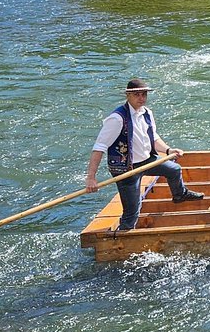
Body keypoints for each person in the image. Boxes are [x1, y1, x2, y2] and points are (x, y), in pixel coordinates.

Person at [86, 79, 204, 231]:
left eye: (144, 94)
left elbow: (153, 138)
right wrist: (91, 177)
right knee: (132, 212)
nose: (141, 98)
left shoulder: (147, 113)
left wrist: (168, 150)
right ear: (128, 95)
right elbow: (99, 147)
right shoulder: (117, 118)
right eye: (137, 95)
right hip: (126, 170)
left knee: (174, 169)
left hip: (148, 161)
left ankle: (179, 195)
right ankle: (121, 238)